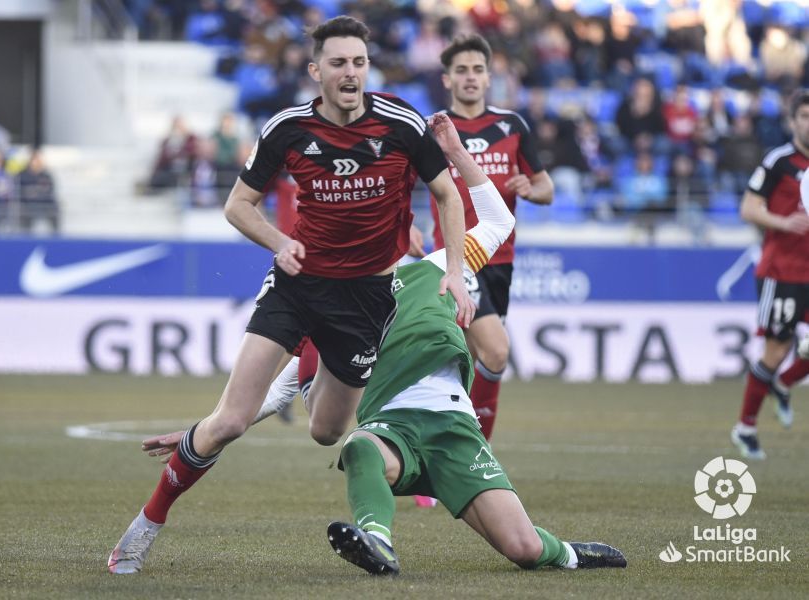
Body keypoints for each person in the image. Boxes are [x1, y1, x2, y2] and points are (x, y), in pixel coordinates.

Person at [141, 113, 626, 575]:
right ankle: (376, 540)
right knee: (360, 448)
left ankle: (568, 554)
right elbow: (283, 387)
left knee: (524, 549)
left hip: (454, 427)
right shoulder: (334, 299)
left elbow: (499, 223)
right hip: (393, 429)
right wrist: (203, 429)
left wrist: (455, 151)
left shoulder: (439, 267)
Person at [107, 15, 474, 574]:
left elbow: (447, 195)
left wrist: (453, 271)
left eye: (358, 62)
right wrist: (280, 243)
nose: (350, 72)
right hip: (298, 287)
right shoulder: (286, 128)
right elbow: (237, 205)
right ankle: (145, 526)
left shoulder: (402, 124)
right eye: (338, 63)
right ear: (315, 71)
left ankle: (307, 369)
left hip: (368, 301)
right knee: (230, 420)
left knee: (327, 433)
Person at [411, 34, 554, 447]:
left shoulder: (511, 126)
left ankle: (439, 459)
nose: (470, 77)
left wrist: (531, 187)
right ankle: (479, 454)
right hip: (458, 259)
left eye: (477, 69)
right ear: (447, 80)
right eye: (461, 71)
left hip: (501, 261)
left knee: (464, 370)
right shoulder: (435, 130)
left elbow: (547, 190)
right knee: (496, 352)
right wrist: (406, 223)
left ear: (489, 78)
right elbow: (402, 185)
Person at [731, 89, 809, 460]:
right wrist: (783, 222)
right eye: (805, 116)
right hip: (783, 271)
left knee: (791, 354)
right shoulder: (779, 161)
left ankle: (785, 382)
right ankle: (746, 427)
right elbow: (748, 208)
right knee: (775, 351)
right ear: (793, 121)